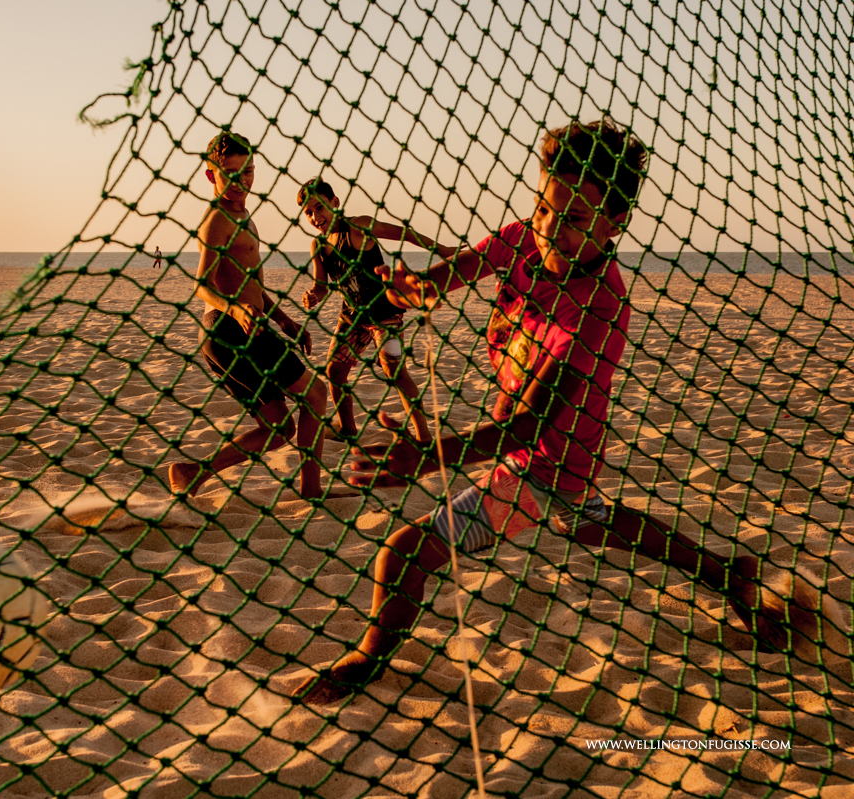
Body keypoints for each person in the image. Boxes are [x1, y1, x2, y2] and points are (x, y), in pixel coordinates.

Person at [294, 118, 818, 705]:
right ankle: (730, 575)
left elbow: (529, 424)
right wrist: (410, 288)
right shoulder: (523, 239)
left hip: (542, 466)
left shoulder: (598, 308)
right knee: (593, 522)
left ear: (615, 222)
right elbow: (441, 280)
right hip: (547, 458)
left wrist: (427, 456)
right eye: (544, 207)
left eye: (572, 219)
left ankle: (367, 659)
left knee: (403, 554)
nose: (548, 228)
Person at [168, 132, 328, 499]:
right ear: (211, 175)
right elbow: (201, 285)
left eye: (249, 170)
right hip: (229, 330)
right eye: (231, 173)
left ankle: (191, 472)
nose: (242, 181)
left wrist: (282, 318)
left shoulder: (243, 214)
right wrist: (236, 308)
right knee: (316, 393)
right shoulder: (217, 219)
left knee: (278, 429)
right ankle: (312, 490)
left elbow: (249, 281)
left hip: (237, 330)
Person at [298, 178, 458, 444]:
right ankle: (348, 428)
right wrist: (313, 294)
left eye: (320, 207)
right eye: (308, 213)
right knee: (334, 371)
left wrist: (442, 249)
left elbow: (403, 233)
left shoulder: (358, 227)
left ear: (335, 203)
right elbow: (321, 285)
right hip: (351, 316)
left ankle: (424, 436)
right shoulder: (318, 246)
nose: (315, 217)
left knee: (395, 371)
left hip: (384, 313)